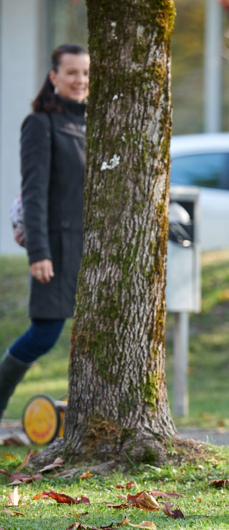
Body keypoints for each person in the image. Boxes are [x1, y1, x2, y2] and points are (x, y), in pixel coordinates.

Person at [0, 44, 90, 419]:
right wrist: (38, 251)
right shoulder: (40, 124)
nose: (80, 80)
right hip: (54, 249)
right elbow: (33, 192)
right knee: (44, 333)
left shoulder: (95, 122)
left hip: (91, 250)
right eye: (72, 73)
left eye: (86, 73)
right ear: (54, 77)